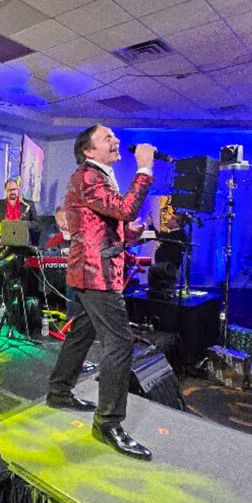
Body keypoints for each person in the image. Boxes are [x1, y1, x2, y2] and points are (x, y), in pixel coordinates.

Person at [45, 124, 154, 460]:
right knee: (120, 343)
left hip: (92, 269)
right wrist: (144, 168)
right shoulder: (89, 176)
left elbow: (103, 224)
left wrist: (129, 234)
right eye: (107, 138)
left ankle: (59, 391)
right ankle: (108, 423)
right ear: (89, 150)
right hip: (96, 274)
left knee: (81, 334)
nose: (116, 140)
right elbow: (125, 209)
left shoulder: (98, 176)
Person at [0, 178, 38, 252]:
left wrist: (23, 225)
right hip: (3, 244)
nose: (12, 192)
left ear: (18, 189)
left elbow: (36, 223)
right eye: (9, 190)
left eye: (14, 189)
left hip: (23, 245)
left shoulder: (28, 204)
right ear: (5, 191)